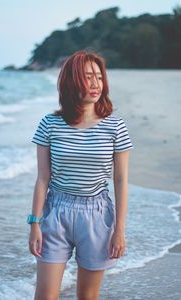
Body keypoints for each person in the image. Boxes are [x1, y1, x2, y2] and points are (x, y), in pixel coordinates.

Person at [27, 49, 134, 300]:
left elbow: (120, 180)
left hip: (97, 216)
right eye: (88, 77)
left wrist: (119, 229)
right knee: (44, 296)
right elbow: (43, 178)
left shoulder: (115, 126)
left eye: (99, 77)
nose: (96, 83)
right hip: (56, 212)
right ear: (72, 82)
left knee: (87, 296)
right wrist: (34, 224)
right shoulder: (49, 124)